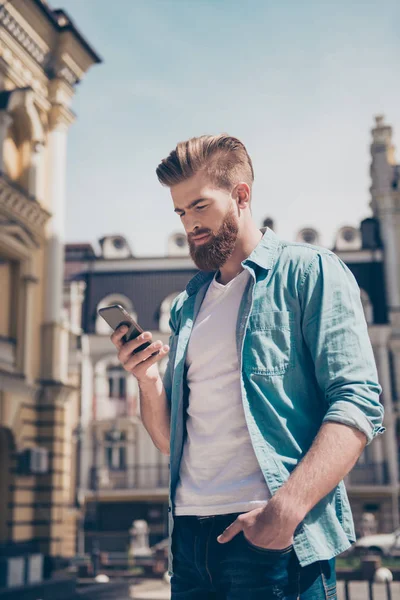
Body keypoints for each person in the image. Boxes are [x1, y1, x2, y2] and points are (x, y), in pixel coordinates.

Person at [111, 135, 385, 599]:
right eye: (180, 212)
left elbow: (357, 402)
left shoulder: (311, 273)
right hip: (190, 542)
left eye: (199, 206)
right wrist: (148, 379)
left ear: (241, 195)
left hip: (273, 542)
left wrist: (285, 512)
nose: (188, 225)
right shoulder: (188, 304)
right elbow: (167, 440)